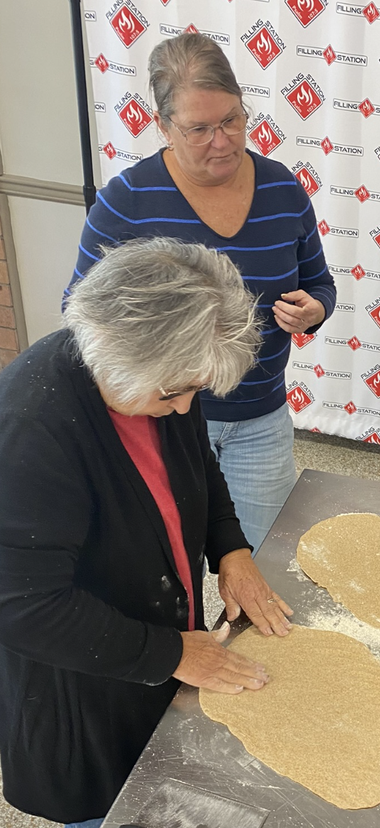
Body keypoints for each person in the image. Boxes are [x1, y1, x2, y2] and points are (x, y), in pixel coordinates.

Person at [0, 238, 294, 828]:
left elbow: (197, 472)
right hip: (79, 687)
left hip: (145, 642)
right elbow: (23, 608)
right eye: (176, 395)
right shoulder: (33, 428)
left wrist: (231, 549)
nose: (186, 409)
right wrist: (169, 653)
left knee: (151, 814)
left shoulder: (157, 381)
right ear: (123, 357)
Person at [65, 32, 336, 554]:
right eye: (200, 129)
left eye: (233, 119)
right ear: (163, 126)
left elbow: (318, 281)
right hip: (158, 425)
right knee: (162, 567)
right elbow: (81, 318)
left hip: (260, 419)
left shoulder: (282, 188)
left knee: (271, 561)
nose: (224, 141)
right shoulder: (125, 203)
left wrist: (315, 308)